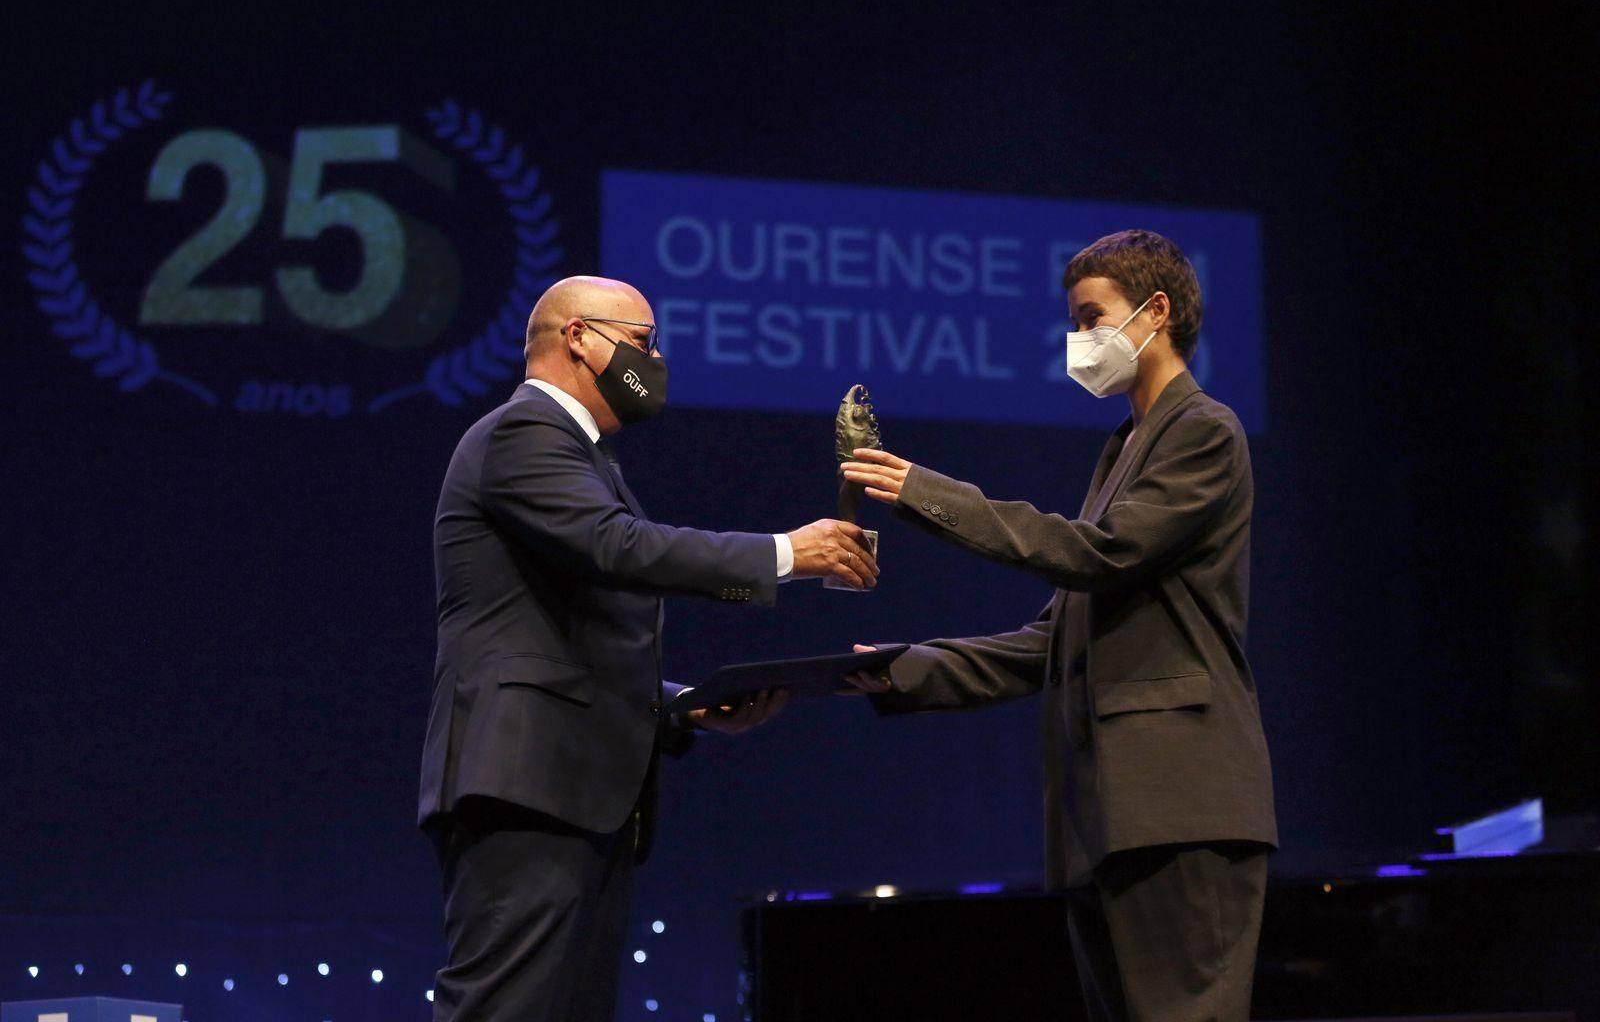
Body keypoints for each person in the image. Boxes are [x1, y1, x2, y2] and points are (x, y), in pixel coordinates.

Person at [840, 230, 1275, 1021]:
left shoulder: (1204, 430)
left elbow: (1100, 554)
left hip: (1178, 809)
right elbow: (1055, 639)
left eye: (1091, 318)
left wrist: (930, 495)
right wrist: (903, 668)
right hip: (1110, 818)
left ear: (1157, 311)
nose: (1079, 341)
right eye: (1073, 323)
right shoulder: (1125, 449)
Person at [418, 275, 879, 1022]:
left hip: (577, 792)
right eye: (643, 343)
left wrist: (682, 708)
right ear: (577, 338)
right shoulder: (524, 431)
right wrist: (786, 554)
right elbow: (619, 547)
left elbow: (570, 631)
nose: (655, 363)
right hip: (528, 786)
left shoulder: (587, 457)